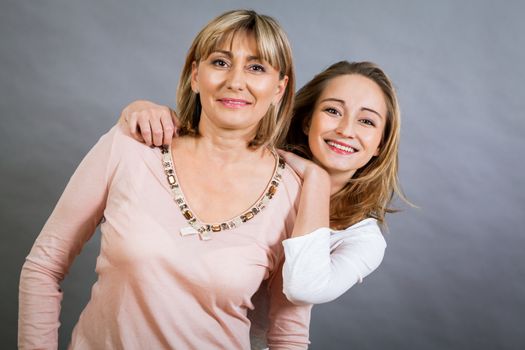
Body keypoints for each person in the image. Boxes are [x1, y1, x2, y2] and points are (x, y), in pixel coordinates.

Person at [18, 10, 312, 350]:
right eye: (220, 62)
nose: (235, 80)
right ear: (195, 75)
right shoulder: (131, 146)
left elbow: (287, 334)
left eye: (257, 67)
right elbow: (43, 267)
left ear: (279, 88)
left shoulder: (292, 194)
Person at [120, 60, 407, 305]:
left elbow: (302, 289)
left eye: (367, 122)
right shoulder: (256, 164)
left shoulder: (363, 240)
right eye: (332, 111)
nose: (345, 129)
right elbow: (196, 139)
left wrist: (316, 181)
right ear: (307, 121)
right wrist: (141, 108)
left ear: (381, 144)